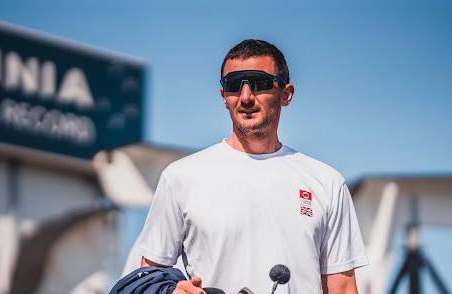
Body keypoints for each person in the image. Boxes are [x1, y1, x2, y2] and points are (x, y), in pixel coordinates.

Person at [135, 39, 368, 293]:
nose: (246, 97)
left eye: (259, 84)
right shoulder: (180, 178)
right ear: (224, 96)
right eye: (234, 85)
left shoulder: (327, 182)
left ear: (286, 94)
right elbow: (148, 279)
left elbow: (342, 287)